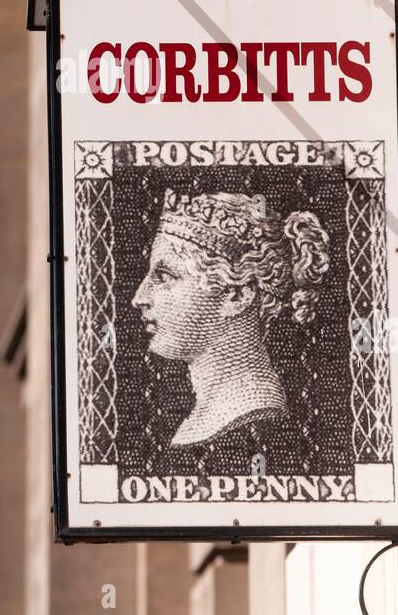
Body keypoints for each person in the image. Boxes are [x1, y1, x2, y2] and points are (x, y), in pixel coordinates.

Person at [132, 189, 329, 469]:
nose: (140, 297)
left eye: (165, 276)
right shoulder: (205, 416)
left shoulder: (253, 415)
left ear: (236, 297)